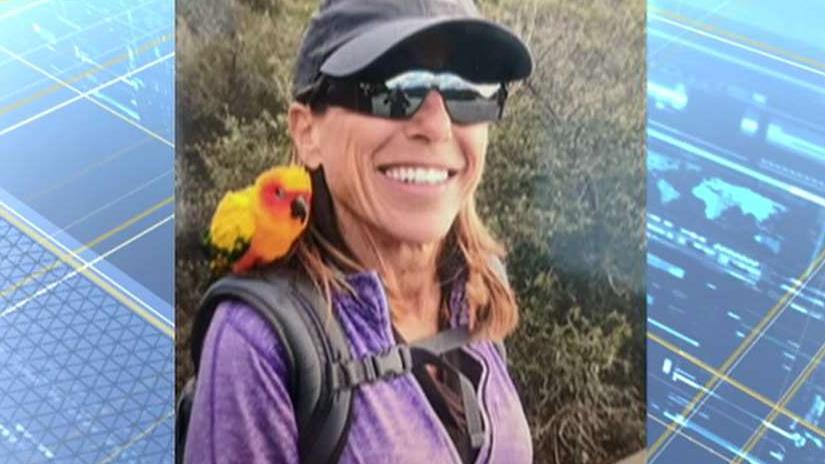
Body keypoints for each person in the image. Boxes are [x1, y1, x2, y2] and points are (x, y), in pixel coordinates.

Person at [184, 0, 534, 462]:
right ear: (307, 133)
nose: (437, 125)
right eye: (390, 88)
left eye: (468, 90)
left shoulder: (479, 286)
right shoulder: (259, 342)